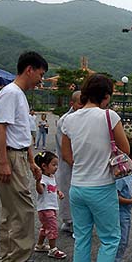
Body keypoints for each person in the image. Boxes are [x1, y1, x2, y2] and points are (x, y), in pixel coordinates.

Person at [61, 73, 130, 262]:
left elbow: (67, 156)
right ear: (106, 96)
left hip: (77, 188)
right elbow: (125, 150)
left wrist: (85, 163)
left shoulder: (68, 120)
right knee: (109, 240)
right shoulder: (109, 116)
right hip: (101, 187)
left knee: (82, 240)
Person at [0, 51, 48, 262]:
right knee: (24, 210)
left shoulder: (19, 95)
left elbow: (21, 133)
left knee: (11, 211)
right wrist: (4, 162)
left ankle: (10, 258)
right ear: (29, 69)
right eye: (41, 74)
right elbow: (0, 128)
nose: (41, 79)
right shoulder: (11, 93)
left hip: (17, 157)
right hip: (10, 158)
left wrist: (31, 161)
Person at [55, 91, 84, 234]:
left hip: (81, 163)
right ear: (71, 104)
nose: (83, 106)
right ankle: (69, 221)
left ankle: (77, 221)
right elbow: (65, 150)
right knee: (67, 191)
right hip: (70, 164)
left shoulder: (85, 118)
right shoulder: (65, 120)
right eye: (80, 102)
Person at [33, 150, 67, 259]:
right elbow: (40, 191)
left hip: (51, 207)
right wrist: (38, 182)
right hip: (45, 208)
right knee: (52, 228)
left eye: (56, 164)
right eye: (53, 165)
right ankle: (53, 249)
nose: (56, 167)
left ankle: (39, 245)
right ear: (44, 166)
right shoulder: (42, 179)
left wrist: (58, 192)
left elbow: (53, 188)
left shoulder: (51, 177)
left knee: (45, 227)